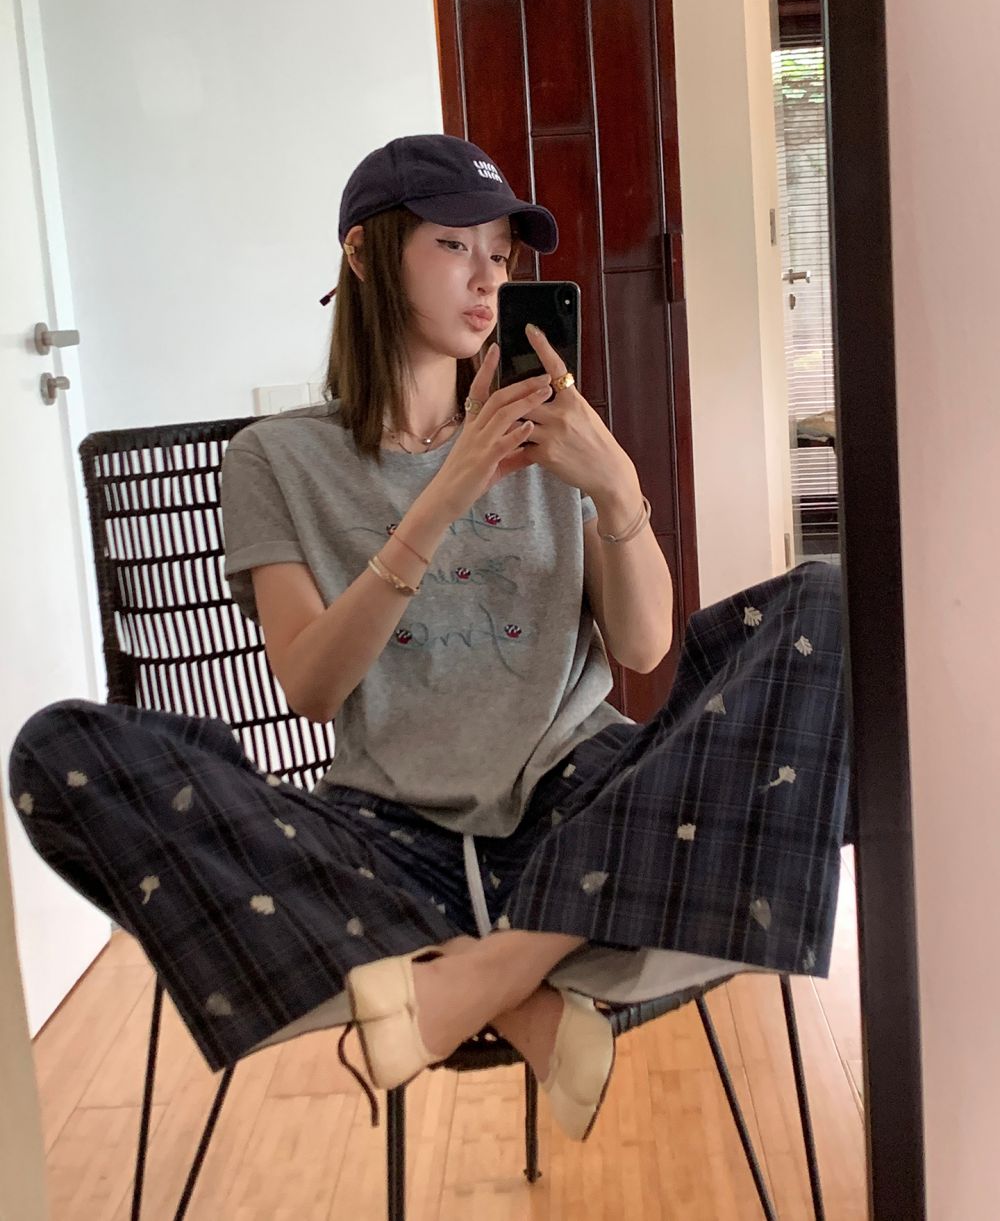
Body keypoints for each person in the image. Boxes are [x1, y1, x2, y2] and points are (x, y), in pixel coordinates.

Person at [8, 134, 849, 1146]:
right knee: (60, 751)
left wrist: (617, 488)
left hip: (586, 803)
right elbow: (311, 687)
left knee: (826, 603)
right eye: (454, 244)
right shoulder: (274, 459)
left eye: (500, 251)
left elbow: (641, 647)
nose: (488, 277)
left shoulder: (546, 433)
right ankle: (549, 959)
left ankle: (483, 967)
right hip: (386, 837)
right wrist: (442, 496)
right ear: (364, 255)